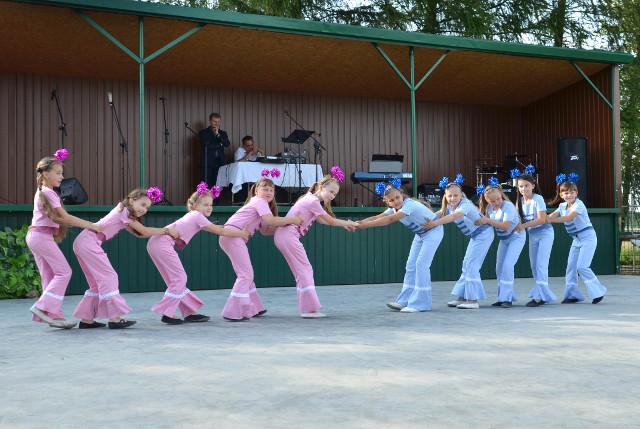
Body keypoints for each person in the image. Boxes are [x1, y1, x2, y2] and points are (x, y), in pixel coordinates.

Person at [72, 187, 179, 329]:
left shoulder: (122, 212)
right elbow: (144, 231)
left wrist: (159, 232)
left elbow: (139, 233)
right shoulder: (125, 212)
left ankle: (87, 320)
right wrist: (167, 231)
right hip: (89, 243)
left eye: (147, 207)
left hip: (83, 242)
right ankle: (115, 319)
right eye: (142, 204)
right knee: (109, 277)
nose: (144, 209)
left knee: (96, 284)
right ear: (132, 200)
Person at [147, 183, 249, 325]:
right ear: (194, 205)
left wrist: (227, 228)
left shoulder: (194, 216)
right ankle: (167, 312)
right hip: (162, 244)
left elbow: (215, 228)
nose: (209, 207)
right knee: (180, 278)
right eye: (205, 204)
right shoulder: (197, 216)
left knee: (175, 280)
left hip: (155, 243)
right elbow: (220, 231)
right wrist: (241, 233)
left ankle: (190, 313)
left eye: (211, 205)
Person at [27, 149, 102, 329]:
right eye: (58, 173)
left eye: (62, 173)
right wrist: (91, 225)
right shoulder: (49, 193)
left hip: (36, 237)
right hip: (41, 237)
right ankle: (41, 306)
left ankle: (53, 316)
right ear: (46, 174)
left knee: (50, 276)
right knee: (64, 272)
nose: (62, 177)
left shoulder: (43, 191)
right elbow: (65, 218)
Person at [274, 172, 358, 318]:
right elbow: (330, 221)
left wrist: (344, 225)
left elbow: (323, 220)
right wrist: (348, 223)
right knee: (305, 270)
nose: (333, 196)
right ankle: (309, 310)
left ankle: (307, 308)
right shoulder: (312, 201)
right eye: (331, 191)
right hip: (288, 236)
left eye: (335, 194)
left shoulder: (309, 198)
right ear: (321, 187)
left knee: (302, 271)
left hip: (283, 236)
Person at [219, 177, 302, 321]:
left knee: (245, 274)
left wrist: (287, 229)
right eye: (265, 189)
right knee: (246, 275)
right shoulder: (259, 201)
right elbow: (271, 221)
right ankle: (232, 312)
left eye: (271, 190)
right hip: (233, 236)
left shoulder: (261, 207)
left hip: (231, 237)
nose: (268, 192)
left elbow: (266, 230)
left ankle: (255, 308)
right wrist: (293, 220)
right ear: (256, 190)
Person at [358, 183, 443, 313]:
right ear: (387, 202)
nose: (396, 201)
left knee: (421, 265)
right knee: (411, 265)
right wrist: (358, 223)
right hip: (421, 234)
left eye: (397, 197)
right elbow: (377, 217)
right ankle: (404, 300)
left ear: (402, 194)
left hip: (434, 231)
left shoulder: (409, 205)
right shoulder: (393, 209)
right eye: (392, 200)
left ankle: (421, 303)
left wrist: (364, 226)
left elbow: (390, 220)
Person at [423, 175, 494, 309]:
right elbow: (439, 213)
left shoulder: (465, 205)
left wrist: (434, 224)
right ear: (445, 196)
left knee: (472, 265)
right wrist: (426, 218)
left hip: (484, 234)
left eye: (456, 195)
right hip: (475, 236)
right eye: (449, 196)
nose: (452, 198)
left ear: (461, 195)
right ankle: (462, 297)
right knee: (466, 264)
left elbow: (454, 216)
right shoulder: (450, 206)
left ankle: (472, 300)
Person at [547, 174, 606, 304]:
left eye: (572, 192)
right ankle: (572, 295)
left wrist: (550, 220)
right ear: (561, 195)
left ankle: (598, 292)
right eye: (566, 193)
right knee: (571, 267)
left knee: (582, 266)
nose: (569, 195)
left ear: (576, 193)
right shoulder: (562, 206)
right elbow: (550, 216)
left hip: (588, 237)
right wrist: (540, 219)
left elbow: (569, 218)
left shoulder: (579, 205)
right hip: (576, 239)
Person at [477, 184, 526, 308]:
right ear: (487, 200)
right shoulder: (489, 208)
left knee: (507, 266)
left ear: (501, 196)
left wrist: (487, 220)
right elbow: (487, 223)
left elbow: (505, 226)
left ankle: (507, 299)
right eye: (493, 201)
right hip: (504, 240)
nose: (497, 202)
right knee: (499, 268)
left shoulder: (508, 206)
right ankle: (502, 297)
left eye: (498, 199)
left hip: (516, 237)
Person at [514, 174, 557, 306]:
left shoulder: (538, 199)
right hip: (532, 234)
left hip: (545, 233)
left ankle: (539, 297)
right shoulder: (519, 201)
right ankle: (543, 294)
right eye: (521, 186)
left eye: (526, 185)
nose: (523, 189)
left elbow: (542, 219)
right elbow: (517, 220)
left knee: (541, 265)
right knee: (534, 266)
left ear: (533, 186)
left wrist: (523, 226)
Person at [198, 112, 230, 187]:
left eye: (218, 121)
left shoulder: (223, 133)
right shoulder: (203, 132)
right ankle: (205, 195)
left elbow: (227, 144)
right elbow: (208, 145)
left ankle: (216, 196)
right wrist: (220, 144)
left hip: (220, 163)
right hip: (207, 163)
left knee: (218, 185)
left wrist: (218, 135)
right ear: (210, 121)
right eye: (214, 121)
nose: (217, 123)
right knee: (206, 185)